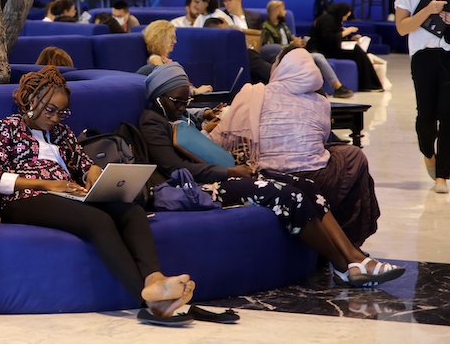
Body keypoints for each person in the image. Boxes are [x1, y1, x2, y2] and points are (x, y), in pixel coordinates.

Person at [139, 63, 403, 288]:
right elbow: (175, 169)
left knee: (306, 187)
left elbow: (193, 129)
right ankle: (343, 266)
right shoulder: (152, 122)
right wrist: (229, 170)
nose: (183, 106)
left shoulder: (178, 115)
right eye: (178, 101)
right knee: (287, 197)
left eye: (187, 99)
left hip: (220, 177)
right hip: (200, 187)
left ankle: (355, 256)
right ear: (159, 97)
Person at [0, 66, 195, 320]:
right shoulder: (6, 128)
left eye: (62, 112)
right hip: (24, 199)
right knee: (98, 220)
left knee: (131, 211)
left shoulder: (62, 134)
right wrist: (47, 184)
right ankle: (149, 302)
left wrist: (93, 173)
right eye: (51, 110)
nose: (56, 118)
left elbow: (83, 166)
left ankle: (155, 278)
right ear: (31, 100)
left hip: (69, 195)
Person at [210, 48, 380, 245]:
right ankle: (350, 239)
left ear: (281, 67)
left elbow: (221, 138)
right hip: (318, 177)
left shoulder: (254, 94)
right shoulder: (321, 102)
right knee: (352, 156)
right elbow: (322, 141)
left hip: (267, 174)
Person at [395, 0, 450, 193]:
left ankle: (442, 175)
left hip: (449, 53)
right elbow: (402, 28)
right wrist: (428, 10)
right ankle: (428, 153)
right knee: (426, 116)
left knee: (448, 115)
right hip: (423, 56)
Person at [261, 0, 354, 98]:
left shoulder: (283, 25)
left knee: (318, 57)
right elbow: (271, 48)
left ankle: (332, 88)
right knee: (318, 57)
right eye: (283, 9)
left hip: (294, 52)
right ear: (276, 11)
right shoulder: (266, 27)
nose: (285, 13)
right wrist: (291, 46)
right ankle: (337, 87)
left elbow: (291, 38)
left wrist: (298, 41)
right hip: (283, 54)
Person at [307, 2, 382, 92]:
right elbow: (327, 39)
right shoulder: (326, 20)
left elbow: (337, 34)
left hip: (331, 48)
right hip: (323, 49)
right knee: (357, 52)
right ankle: (367, 84)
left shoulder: (335, 20)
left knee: (357, 51)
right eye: (346, 16)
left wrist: (351, 38)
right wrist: (347, 32)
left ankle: (368, 83)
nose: (346, 18)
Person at [141, 20, 212, 94]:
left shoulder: (164, 59)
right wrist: (195, 91)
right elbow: (172, 85)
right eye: (172, 38)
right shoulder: (155, 59)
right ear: (161, 39)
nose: (175, 41)